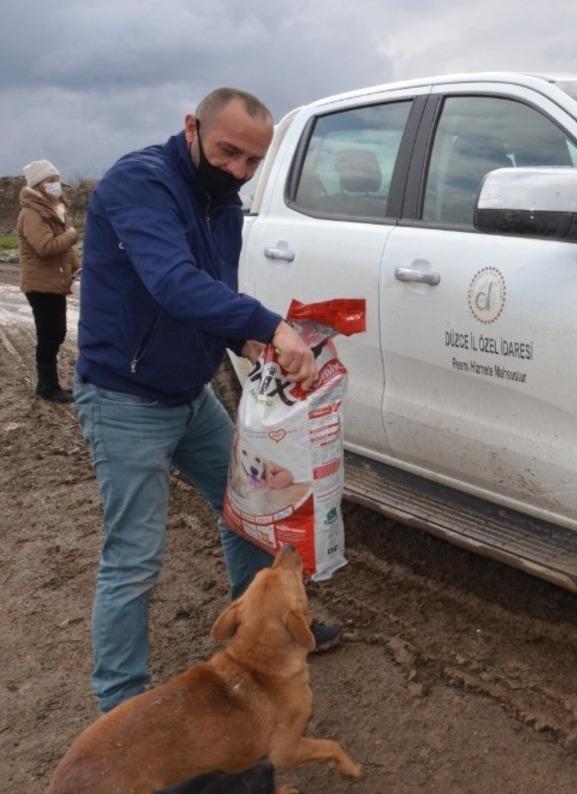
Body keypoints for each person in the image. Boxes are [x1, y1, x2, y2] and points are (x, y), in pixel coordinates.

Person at [73, 87, 339, 716]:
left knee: (250, 510)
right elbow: (173, 282)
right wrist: (271, 324)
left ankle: (261, 635)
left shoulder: (224, 204)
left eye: (252, 162)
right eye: (227, 152)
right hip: (125, 398)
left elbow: (212, 295)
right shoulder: (141, 184)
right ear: (191, 127)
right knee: (135, 557)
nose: (237, 170)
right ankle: (123, 710)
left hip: (190, 396)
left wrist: (249, 339)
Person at [17, 160, 80, 403]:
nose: (56, 184)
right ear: (38, 185)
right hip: (40, 284)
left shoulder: (53, 210)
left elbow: (63, 248)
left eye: (56, 179)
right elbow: (45, 247)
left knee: (55, 332)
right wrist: (71, 236)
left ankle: (48, 384)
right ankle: (48, 386)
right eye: (50, 180)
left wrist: (76, 266)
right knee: (50, 334)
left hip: (52, 283)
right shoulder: (33, 213)